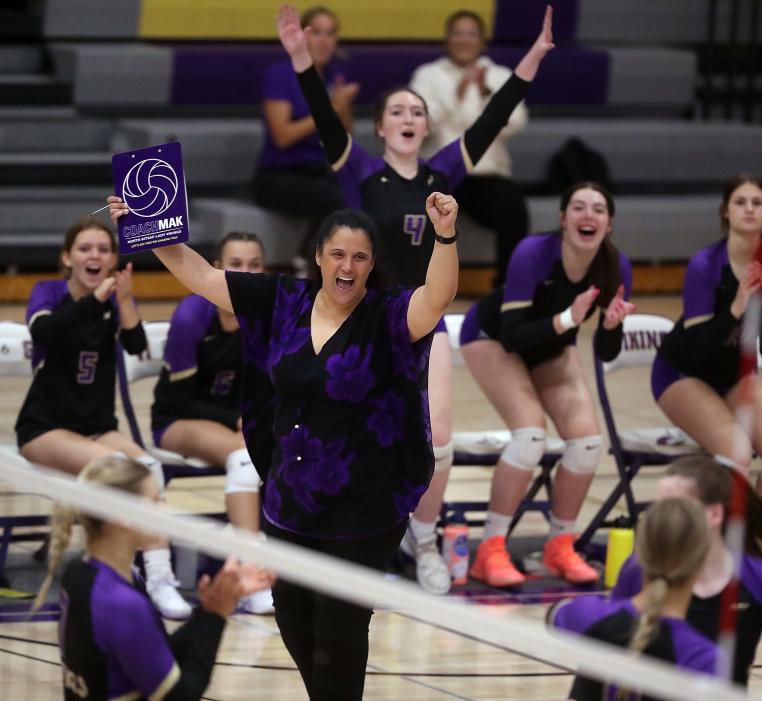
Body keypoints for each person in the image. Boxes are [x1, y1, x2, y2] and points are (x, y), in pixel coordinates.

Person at [108, 190, 460, 700]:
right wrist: (148, 226)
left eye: (359, 257)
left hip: (365, 507)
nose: (348, 266)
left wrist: (445, 234)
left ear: (370, 264)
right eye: (337, 254)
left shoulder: (388, 315)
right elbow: (203, 276)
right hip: (289, 501)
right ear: (317, 256)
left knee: (339, 631)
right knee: (296, 624)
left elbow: (438, 296)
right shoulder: (282, 300)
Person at [277, 0, 555, 594]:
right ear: (380, 127)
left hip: (423, 324)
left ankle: (423, 541)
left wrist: (531, 60)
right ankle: (346, 538)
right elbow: (327, 119)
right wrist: (303, 61)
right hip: (361, 328)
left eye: (416, 112)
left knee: (439, 443)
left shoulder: (444, 173)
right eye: (396, 110)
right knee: (354, 437)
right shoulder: (359, 172)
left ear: (426, 128)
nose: (407, 117)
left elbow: (490, 118)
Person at [460, 182, 635, 587]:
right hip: (492, 336)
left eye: (597, 210)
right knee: (530, 436)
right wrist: (569, 320)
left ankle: (560, 545)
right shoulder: (533, 253)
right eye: (578, 207)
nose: (587, 215)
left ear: (608, 224)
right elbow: (512, 335)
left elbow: (608, 351)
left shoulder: (614, 266)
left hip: (551, 345)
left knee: (589, 441)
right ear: (563, 219)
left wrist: (610, 326)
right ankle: (490, 550)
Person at [15, 218, 192, 620]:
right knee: (118, 473)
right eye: (84, 248)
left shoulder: (113, 299)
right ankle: (120, 565)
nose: (94, 256)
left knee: (147, 469)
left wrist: (126, 300)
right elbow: (45, 332)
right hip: (45, 428)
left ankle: (159, 578)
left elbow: (137, 345)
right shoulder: (49, 292)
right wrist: (97, 299)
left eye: (102, 249)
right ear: (67, 257)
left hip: (97, 426)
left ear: (113, 258)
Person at [551, 455, 762, 685]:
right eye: (659, 505)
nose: (661, 515)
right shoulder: (639, 569)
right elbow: (607, 645)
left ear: (714, 515)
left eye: (675, 506)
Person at [35, 454, 274, 701]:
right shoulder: (121, 602)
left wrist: (210, 609)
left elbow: (155, 653)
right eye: (155, 500)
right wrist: (215, 618)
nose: (165, 509)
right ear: (124, 517)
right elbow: (179, 695)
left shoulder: (80, 571)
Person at [653, 174, 762, 508]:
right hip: (683, 374)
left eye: (757, 203)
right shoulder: (705, 265)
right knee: (736, 450)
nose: (749, 209)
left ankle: (754, 543)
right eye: (740, 202)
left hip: (735, 374)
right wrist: (735, 308)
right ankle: (715, 546)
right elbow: (699, 351)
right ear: (726, 212)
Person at [150, 231, 274, 614]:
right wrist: (234, 418)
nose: (246, 272)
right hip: (178, 420)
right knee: (244, 457)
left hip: (235, 422)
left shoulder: (265, 315)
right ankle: (249, 575)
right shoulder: (192, 315)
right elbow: (180, 398)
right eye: (236, 264)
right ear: (217, 268)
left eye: (254, 265)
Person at [557, 498, 720, 701]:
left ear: (639, 555)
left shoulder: (587, 613)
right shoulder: (703, 657)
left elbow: (557, 615)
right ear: (704, 562)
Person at [410, 9, 530, 285]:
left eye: (471, 33)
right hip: (439, 173)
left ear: (482, 41)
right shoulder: (427, 75)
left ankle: (505, 291)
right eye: (458, 33)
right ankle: (417, 288)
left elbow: (517, 121)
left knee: (513, 208)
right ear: (447, 39)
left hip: (484, 176)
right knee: (410, 206)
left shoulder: (498, 75)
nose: (464, 40)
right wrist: (457, 95)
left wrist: (486, 93)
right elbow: (420, 123)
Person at [253, 5, 357, 270]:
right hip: (279, 175)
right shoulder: (281, 74)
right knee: (334, 198)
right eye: (317, 32)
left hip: (321, 170)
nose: (324, 40)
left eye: (331, 34)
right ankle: (306, 262)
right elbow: (283, 136)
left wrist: (343, 109)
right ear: (303, 36)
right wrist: (331, 107)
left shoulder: (335, 76)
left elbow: (344, 139)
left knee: (360, 189)